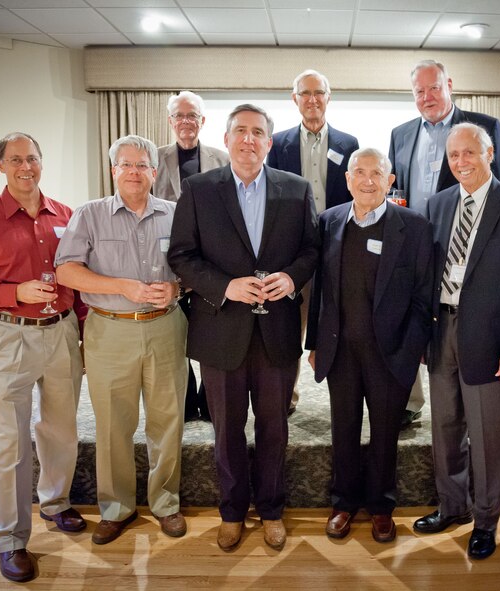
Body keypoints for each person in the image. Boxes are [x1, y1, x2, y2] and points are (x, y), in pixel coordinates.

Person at [167, 104, 319, 552]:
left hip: (277, 332)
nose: (248, 139)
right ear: (227, 139)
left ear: (269, 142)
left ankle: (271, 510)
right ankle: (232, 512)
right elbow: (182, 256)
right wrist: (225, 286)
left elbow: (312, 249)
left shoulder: (297, 189)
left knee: (274, 427)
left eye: (257, 132)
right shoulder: (198, 191)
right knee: (226, 429)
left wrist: (292, 278)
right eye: (240, 131)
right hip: (221, 331)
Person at [0, 132, 85, 583]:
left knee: (62, 429)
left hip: (63, 333)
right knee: (11, 439)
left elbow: (79, 279)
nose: (25, 167)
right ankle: (10, 539)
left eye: (32, 158)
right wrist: (15, 292)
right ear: (1, 166)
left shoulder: (66, 215)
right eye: (15, 160)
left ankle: (55, 503)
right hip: (11, 336)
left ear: (41, 162)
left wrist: (84, 330)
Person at [414, 123, 500, 560]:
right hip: (441, 331)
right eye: (454, 156)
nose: (461, 162)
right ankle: (453, 507)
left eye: (470, 153)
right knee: (445, 427)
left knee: (488, 438)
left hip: (491, 343)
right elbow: (427, 275)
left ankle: (486, 521)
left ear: (489, 153)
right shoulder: (438, 204)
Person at [55, 135, 188, 546]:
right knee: (114, 422)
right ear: (113, 170)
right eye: (126, 164)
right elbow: (66, 272)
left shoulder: (177, 214)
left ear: (155, 171)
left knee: (168, 419)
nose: (134, 172)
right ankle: (116, 508)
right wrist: (121, 286)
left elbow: (196, 265)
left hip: (166, 326)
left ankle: (166, 503)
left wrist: (179, 288)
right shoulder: (89, 215)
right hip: (109, 328)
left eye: (142, 165)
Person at [305, 148, 432, 542]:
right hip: (340, 350)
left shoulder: (413, 227)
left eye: (377, 173)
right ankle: (344, 503)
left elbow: (423, 296)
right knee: (343, 429)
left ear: (390, 180)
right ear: (347, 179)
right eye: (359, 172)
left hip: (389, 352)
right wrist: (314, 343)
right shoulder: (328, 222)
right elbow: (320, 290)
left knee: (384, 433)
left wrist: (411, 350)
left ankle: (381, 506)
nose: (367, 180)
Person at [388, 60, 500, 427]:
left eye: (434, 88)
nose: (427, 97)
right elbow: (396, 189)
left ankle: (470, 397)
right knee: (413, 316)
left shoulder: (483, 126)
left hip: (463, 240)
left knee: (460, 320)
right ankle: (410, 400)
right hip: (414, 243)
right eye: (419, 91)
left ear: (449, 85)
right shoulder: (401, 133)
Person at [268, 69, 359, 416]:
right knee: (291, 326)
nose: (312, 100)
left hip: (337, 247)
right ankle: (286, 396)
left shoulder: (348, 144)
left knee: (340, 324)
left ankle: (345, 395)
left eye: (318, 92)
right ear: (295, 100)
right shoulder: (277, 144)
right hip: (294, 251)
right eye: (304, 93)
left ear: (328, 97)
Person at [154, 90, 230, 422]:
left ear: (203, 120)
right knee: (174, 334)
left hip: (211, 262)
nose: (186, 122)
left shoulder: (222, 158)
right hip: (167, 259)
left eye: (192, 115)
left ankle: (209, 400)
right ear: (170, 121)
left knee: (212, 333)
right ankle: (185, 401)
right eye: (180, 116)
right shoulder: (153, 158)